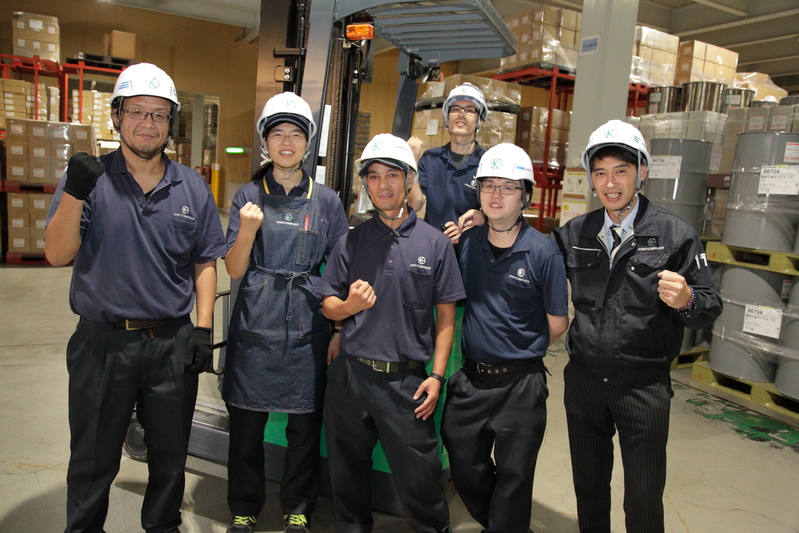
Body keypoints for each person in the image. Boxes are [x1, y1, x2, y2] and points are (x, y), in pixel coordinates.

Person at [45, 63, 226, 533]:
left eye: (160, 115)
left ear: (171, 123)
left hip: (171, 343)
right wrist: (75, 193)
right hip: (102, 345)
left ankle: (162, 527)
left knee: (169, 461)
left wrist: (202, 329)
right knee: (92, 460)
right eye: (137, 112)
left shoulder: (192, 186)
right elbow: (56, 253)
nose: (148, 123)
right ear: (117, 117)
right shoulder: (90, 178)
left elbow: (205, 262)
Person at [549, 120, 723, 533]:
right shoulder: (574, 234)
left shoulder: (674, 234)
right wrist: (480, 225)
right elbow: (527, 258)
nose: (611, 183)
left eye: (621, 170)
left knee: (643, 498)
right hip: (586, 381)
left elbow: (710, 304)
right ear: (591, 177)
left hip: (644, 385)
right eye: (601, 172)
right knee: (589, 490)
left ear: (642, 171)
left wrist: (688, 301)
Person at [316, 134, 466, 533]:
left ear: (409, 180)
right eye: (374, 176)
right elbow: (328, 303)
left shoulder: (434, 244)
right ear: (365, 184)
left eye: (393, 175)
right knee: (346, 472)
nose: (383, 185)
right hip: (350, 376)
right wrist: (349, 307)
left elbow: (446, 316)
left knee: (422, 478)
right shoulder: (351, 239)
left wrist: (436, 376)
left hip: (406, 382)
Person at [221, 92, 349, 533]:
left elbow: (339, 271)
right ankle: (243, 506)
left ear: (308, 142)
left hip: (308, 325)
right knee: (246, 429)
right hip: (255, 320)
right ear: (265, 142)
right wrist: (247, 231)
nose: (287, 142)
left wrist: (337, 329)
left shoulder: (327, 201)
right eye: (278, 134)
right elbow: (235, 269)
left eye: (296, 133)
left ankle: (298, 507)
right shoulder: (247, 195)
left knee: (303, 430)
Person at [441, 143, 569, 533]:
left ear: (525, 195)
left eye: (508, 187)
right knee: (465, 465)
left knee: (515, 477)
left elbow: (558, 322)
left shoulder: (544, 253)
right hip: (471, 381)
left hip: (521, 386)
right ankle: (500, 522)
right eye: (489, 186)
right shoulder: (467, 244)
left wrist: (519, 348)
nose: (496, 195)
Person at [408, 82, 487, 243]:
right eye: (455, 109)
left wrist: (482, 217)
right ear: (447, 118)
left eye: (470, 110)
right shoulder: (430, 159)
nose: (461, 114)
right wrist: (411, 162)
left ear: (480, 121)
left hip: (472, 249)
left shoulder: (486, 163)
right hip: (432, 248)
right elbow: (415, 204)